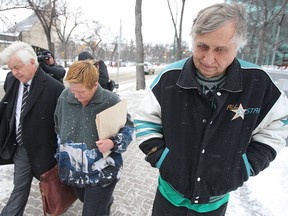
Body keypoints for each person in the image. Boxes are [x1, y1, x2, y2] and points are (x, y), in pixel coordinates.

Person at [134, 2, 288, 216]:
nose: (208, 59)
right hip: (169, 197)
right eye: (202, 46)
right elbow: (144, 120)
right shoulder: (169, 77)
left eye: (221, 50)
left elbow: (278, 125)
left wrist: (246, 165)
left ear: (237, 47)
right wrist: (162, 158)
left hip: (214, 204)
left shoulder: (258, 83)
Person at [54, 60, 134, 215]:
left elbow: (129, 129)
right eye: (73, 90)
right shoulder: (65, 96)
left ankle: (102, 203)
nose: (76, 96)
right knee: (85, 199)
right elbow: (57, 124)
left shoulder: (110, 100)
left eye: (81, 92)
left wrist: (112, 142)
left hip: (103, 171)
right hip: (74, 169)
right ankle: (106, 202)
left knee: (91, 211)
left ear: (95, 85)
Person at [0, 41, 64, 215]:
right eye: (11, 68)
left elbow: (61, 124)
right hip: (21, 148)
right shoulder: (12, 79)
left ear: (32, 62)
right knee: (19, 189)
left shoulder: (54, 88)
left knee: (54, 192)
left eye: (17, 67)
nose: (14, 72)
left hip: (44, 151)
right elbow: (10, 108)